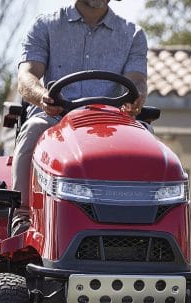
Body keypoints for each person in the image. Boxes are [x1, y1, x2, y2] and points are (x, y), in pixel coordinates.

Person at [11, 0, 149, 235]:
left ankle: (144, 221)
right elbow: (27, 76)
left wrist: (137, 96)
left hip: (112, 123)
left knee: (148, 140)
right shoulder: (46, 26)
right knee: (33, 129)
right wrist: (43, 96)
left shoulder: (133, 34)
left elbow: (137, 81)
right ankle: (22, 215)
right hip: (56, 117)